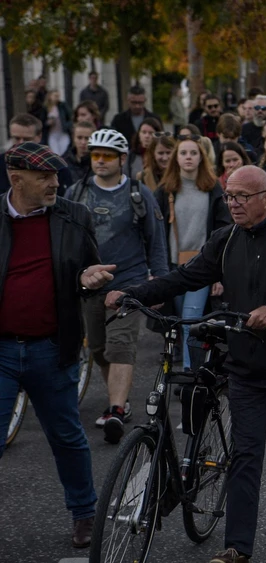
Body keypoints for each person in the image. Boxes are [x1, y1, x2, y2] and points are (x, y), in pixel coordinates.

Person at [104, 164, 266, 563]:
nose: (233, 203)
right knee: (245, 456)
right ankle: (237, 547)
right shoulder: (224, 241)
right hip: (245, 370)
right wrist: (133, 293)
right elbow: (184, 277)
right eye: (229, 196)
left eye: (242, 197)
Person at [0, 142, 118, 549]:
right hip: (0, 351)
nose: (55, 183)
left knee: (67, 437)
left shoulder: (75, 216)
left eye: (56, 175)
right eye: (44, 177)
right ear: (16, 180)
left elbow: (88, 271)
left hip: (51, 348)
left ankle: (85, 514)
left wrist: (87, 281)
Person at [63, 129, 169, 444]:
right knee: (98, 347)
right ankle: (117, 400)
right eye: (96, 155)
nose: (100, 161)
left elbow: (156, 239)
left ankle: (116, 409)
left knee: (120, 344)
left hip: (129, 283)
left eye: (107, 156)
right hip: (89, 285)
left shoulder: (139, 193)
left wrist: (159, 283)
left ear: (122, 159)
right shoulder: (76, 192)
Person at [154, 136, 230, 369]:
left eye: (193, 153)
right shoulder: (165, 190)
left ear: (201, 157)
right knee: (179, 320)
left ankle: (190, 371)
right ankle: (193, 366)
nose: (188, 157)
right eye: (183, 153)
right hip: (175, 265)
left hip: (202, 265)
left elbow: (222, 231)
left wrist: (218, 273)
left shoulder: (213, 188)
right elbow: (155, 232)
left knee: (191, 318)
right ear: (176, 158)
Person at [0, 113, 74, 196]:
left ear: (39, 137)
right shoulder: (1, 163)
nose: (21, 143)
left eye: (27, 139)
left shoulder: (57, 167)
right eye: (17, 138)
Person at [44, 90, 73, 156]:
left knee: (64, 151)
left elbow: (70, 117)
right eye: (55, 96)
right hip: (52, 134)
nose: (57, 98)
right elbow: (42, 121)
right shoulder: (46, 108)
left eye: (58, 96)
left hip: (63, 132)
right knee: (56, 153)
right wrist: (48, 123)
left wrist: (66, 125)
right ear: (50, 96)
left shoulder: (62, 106)